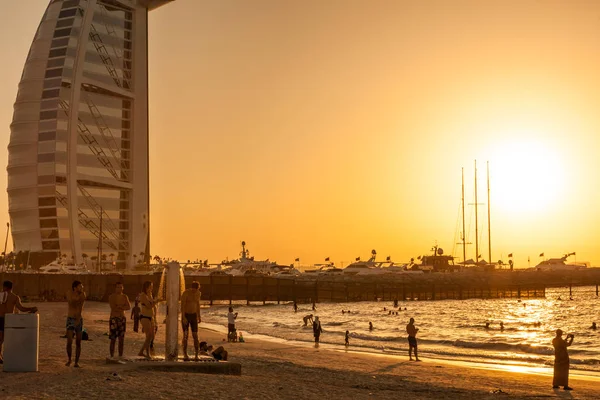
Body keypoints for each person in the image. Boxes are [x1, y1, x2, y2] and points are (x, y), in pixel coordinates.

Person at [0, 281, 38, 364]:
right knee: (9, 339)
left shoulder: (0, 295)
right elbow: (21, 308)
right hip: (9, 319)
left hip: (0, 318)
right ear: (11, 288)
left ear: (4, 287)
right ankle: (6, 356)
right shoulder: (15, 297)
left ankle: (0, 356)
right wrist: (31, 308)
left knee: (1, 339)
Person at [66, 280, 86, 367]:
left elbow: (80, 306)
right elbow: (71, 302)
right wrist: (76, 296)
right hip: (70, 318)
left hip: (79, 319)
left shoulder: (83, 295)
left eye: (82, 287)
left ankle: (76, 362)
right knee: (69, 341)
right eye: (80, 287)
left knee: (78, 341)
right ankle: (69, 359)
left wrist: (78, 319)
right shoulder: (69, 293)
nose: (82, 288)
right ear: (75, 288)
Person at [108, 282, 131, 359]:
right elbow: (113, 307)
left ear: (123, 288)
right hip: (114, 318)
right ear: (115, 288)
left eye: (121, 287)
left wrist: (120, 307)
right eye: (118, 287)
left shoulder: (125, 296)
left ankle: (120, 355)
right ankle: (111, 356)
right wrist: (122, 307)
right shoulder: (112, 296)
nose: (119, 289)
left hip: (122, 318)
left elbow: (128, 307)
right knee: (113, 338)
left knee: (121, 339)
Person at [181, 281, 201, 361]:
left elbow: (198, 304)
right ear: (191, 288)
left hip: (194, 315)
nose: (194, 291)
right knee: (185, 335)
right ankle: (185, 354)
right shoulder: (186, 293)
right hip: (186, 315)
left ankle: (196, 354)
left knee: (195, 335)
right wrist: (183, 317)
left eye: (195, 290)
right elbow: (182, 306)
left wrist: (199, 316)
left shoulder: (198, 293)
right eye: (193, 290)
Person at [137, 281, 156, 359]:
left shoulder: (150, 295)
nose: (151, 288)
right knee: (148, 336)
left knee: (151, 336)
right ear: (146, 287)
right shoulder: (143, 295)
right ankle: (144, 352)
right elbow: (149, 306)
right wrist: (156, 301)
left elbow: (153, 307)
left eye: (152, 287)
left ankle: (144, 352)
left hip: (151, 317)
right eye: (150, 287)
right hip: (144, 316)